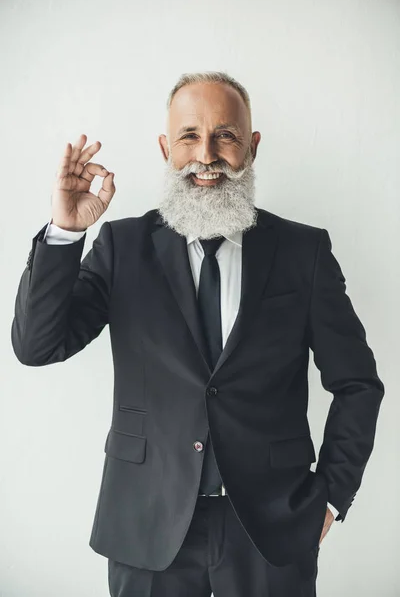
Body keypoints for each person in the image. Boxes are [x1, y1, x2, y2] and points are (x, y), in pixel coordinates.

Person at [11, 71, 384, 597]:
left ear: (251, 147)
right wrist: (67, 230)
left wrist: (330, 497)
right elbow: (36, 345)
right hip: (146, 524)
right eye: (189, 135)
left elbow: (357, 385)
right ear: (166, 147)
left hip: (271, 528)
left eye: (225, 136)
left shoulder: (304, 253)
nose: (205, 155)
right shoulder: (122, 246)